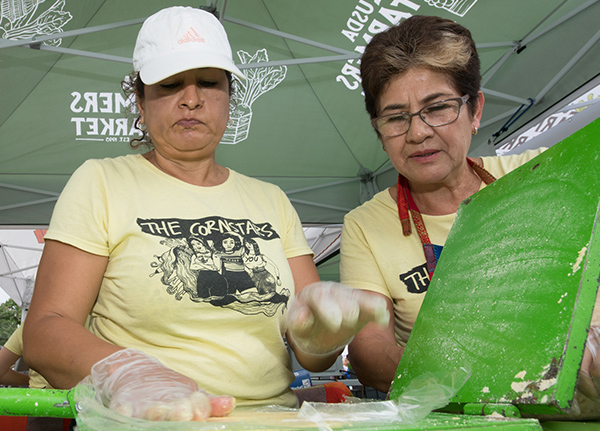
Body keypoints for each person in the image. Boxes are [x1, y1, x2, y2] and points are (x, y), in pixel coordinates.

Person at [23, 6, 388, 423]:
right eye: (170, 84)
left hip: (272, 421)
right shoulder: (101, 182)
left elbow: (311, 353)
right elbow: (45, 329)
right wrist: (129, 374)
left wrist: (322, 331)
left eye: (209, 83)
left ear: (230, 98)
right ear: (140, 102)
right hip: (150, 422)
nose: (191, 99)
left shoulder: (271, 200)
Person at [339, 14, 600, 414]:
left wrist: (591, 343)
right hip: (463, 419)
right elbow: (370, 349)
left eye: (438, 108)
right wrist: (473, 375)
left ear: (474, 110)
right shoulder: (365, 225)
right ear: (379, 132)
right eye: (396, 118)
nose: (418, 132)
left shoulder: (543, 174)